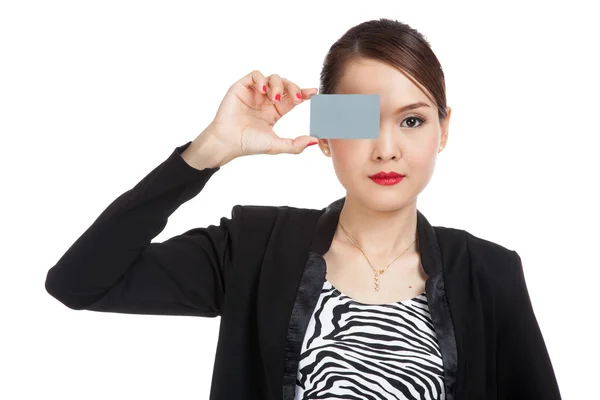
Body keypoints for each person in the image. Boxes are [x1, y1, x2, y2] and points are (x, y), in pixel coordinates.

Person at [44, 18, 562, 400]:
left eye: (412, 121)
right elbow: (80, 282)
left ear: (444, 129)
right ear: (327, 132)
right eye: (358, 119)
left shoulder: (489, 273)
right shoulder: (255, 247)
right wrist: (208, 151)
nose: (386, 148)